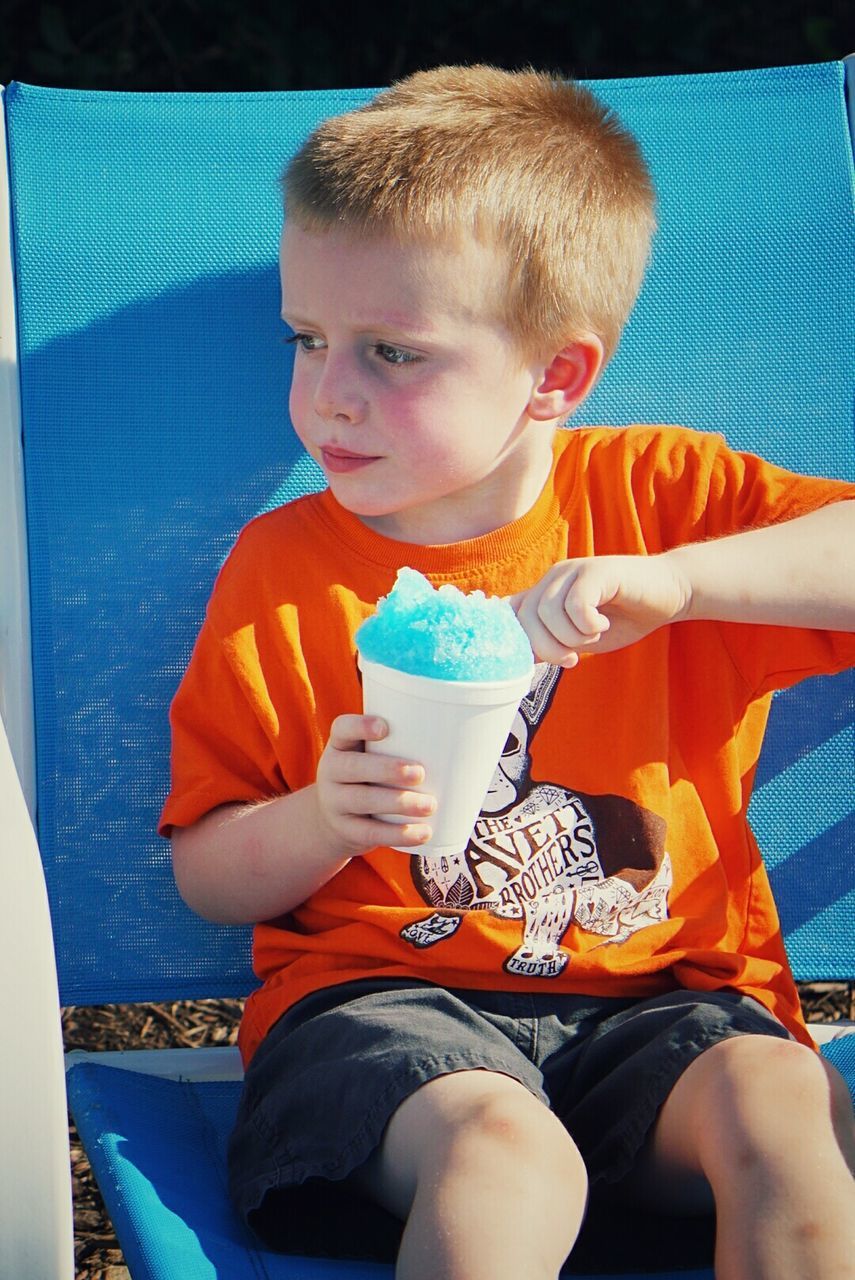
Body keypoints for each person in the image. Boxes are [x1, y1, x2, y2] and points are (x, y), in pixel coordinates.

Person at [159, 65, 855, 1280]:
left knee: (787, 1110)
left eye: (392, 351)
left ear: (556, 377)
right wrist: (326, 817)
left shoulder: (664, 501)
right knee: (506, 1155)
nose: (330, 394)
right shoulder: (282, 572)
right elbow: (210, 872)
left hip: (666, 1006)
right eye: (307, 340)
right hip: (382, 1012)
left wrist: (688, 582)